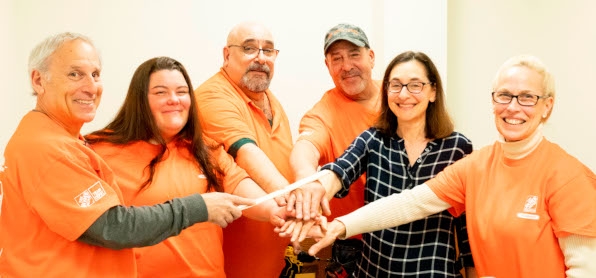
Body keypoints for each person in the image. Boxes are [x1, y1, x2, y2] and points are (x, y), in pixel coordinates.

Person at [306, 54, 596, 277]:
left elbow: (585, 269)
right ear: (493, 102)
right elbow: (411, 203)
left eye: (528, 97)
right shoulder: (476, 166)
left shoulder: (568, 177)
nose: (513, 107)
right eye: (504, 95)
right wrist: (340, 226)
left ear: (547, 106)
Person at [0, 32, 255, 277]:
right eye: (74, 74)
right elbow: (112, 226)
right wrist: (198, 207)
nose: (90, 87)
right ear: (38, 80)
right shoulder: (48, 148)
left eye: (95, 74)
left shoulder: (65, 142)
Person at [85, 56, 286, 277]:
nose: (174, 99)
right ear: (140, 100)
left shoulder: (206, 150)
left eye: (181, 92)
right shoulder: (97, 150)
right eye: (161, 92)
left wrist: (276, 211)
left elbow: (242, 189)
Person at [285, 51, 475, 277]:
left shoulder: (458, 147)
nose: (404, 94)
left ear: (433, 91)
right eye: (395, 85)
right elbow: (340, 171)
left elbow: (467, 232)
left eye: (415, 85)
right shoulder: (373, 139)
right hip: (374, 271)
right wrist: (314, 193)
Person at [194, 22, 293, 277]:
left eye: (268, 51)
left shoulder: (271, 100)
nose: (260, 58)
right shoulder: (213, 96)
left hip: (274, 264)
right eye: (249, 48)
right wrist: (295, 200)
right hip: (232, 267)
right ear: (227, 55)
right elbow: (245, 152)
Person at [287, 23, 381, 275]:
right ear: (327, 66)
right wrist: (305, 181)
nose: (346, 66)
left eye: (354, 55)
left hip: (405, 235)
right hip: (352, 246)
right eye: (336, 58)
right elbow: (305, 147)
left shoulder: (398, 98)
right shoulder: (323, 113)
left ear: (371, 57)